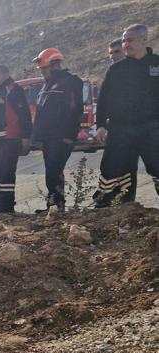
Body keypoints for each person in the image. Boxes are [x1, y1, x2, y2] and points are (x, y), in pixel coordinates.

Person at [93, 24, 159, 207]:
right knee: (112, 169)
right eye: (123, 40)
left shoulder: (156, 63)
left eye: (129, 40)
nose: (125, 44)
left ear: (143, 40)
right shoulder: (116, 70)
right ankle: (109, 208)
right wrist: (100, 125)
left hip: (152, 129)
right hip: (121, 129)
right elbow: (104, 99)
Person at [31, 48, 84, 212]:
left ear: (54, 65)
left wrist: (69, 135)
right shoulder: (47, 85)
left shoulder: (70, 82)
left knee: (54, 171)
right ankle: (54, 206)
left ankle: (56, 207)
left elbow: (75, 110)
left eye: (44, 70)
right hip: (48, 137)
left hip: (60, 137)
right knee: (51, 172)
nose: (42, 73)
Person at [0, 65, 32, 213]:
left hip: (10, 139)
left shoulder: (14, 90)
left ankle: (6, 204)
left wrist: (25, 138)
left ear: (7, 75)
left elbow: (24, 115)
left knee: (6, 172)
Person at [106, 37, 138, 202]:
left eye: (117, 51)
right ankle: (121, 200)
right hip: (117, 128)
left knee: (130, 165)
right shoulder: (113, 73)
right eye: (111, 53)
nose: (113, 56)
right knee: (118, 166)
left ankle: (128, 201)